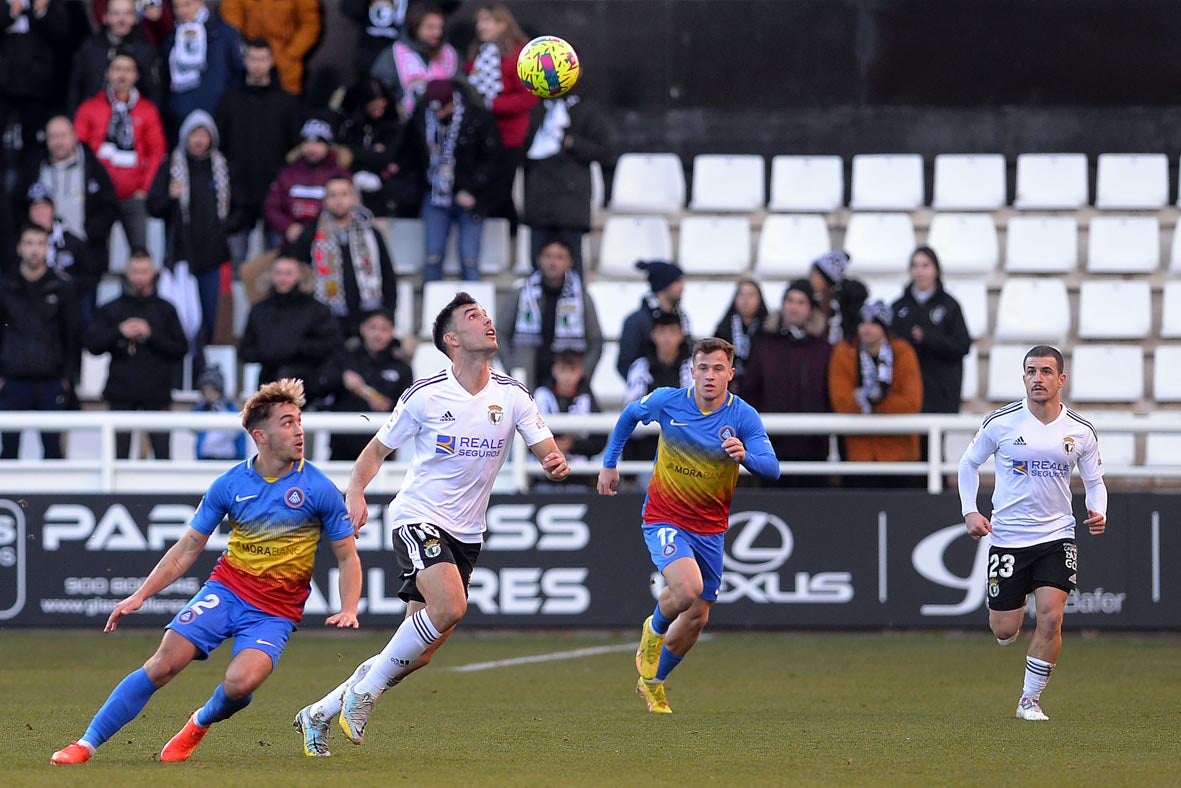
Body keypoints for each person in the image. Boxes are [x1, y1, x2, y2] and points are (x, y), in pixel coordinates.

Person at [291, 291, 570, 756]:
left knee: (414, 654)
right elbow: (376, 451)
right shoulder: (426, 394)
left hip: (467, 532)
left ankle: (318, 713)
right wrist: (355, 493)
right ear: (452, 339)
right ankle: (362, 696)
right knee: (451, 607)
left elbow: (546, 449)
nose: (487, 321)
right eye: (473, 316)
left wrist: (555, 462)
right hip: (419, 516)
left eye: (484, 313)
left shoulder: (512, 394)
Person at [50, 378, 363, 765]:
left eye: (299, 421)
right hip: (226, 590)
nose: (299, 430)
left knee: (239, 683)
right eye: (287, 422)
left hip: (275, 612)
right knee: (162, 664)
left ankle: (199, 722)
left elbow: (347, 556)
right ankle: (85, 744)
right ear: (259, 436)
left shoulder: (318, 488)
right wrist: (141, 595)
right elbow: (187, 549)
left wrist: (349, 606)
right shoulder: (229, 484)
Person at [597, 337, 780, 713]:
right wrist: (609, 463)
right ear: (691, 370)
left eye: (717, 369)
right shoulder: (669, 401)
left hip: (710, 528)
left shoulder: (742, 416)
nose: (709, 376)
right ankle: (654, 630)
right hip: (665, 516)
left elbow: (772, 467)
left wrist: (746, 456)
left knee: (697, 616)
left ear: (730, 373)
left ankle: (653, 682)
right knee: (687, 588)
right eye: (702, 368)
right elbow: (630, 414)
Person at [958, 345, 1107, 722]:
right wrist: (970, 510)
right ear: (1023, 377)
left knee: (1051, 618)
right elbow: (968, 464)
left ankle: (1029, 699)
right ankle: (1010, 618)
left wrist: (1098, 510)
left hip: (1057, 535)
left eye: (1044, 371)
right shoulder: (1001, 422)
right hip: (1008, 537)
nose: (1036, 378)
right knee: (1004, 629)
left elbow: (1094, 481)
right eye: (1030, 371)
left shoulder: (1080, 430)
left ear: (1061, 379)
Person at [393, 77, 500, 282]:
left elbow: (491, 160)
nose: (439, 114)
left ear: (452, 101)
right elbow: (409, 149)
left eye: (443, 108)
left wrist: (471, 188)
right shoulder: (422, 116)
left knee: (469, 259)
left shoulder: (476, 117)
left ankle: (473, 312)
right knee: (433, 257)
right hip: (434, 195)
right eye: (435, 110)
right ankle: (434, 312)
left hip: (469, 196)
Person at [86, 247, 188, 459]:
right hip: (121, 392)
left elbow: (181, 349)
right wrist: (119, 332)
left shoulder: (166, 309)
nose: (139, 277)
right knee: (118, 456)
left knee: (162, 455)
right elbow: (92, 345)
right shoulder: (111, 308)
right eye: (135, 271)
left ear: (153, 273)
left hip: (157, 392)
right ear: (127, 273)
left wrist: (151, 334)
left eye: (144, 271)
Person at [148, 110, 236, 348]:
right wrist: (169, 196)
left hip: (212, 255)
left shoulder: (222, 167)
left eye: (203, 134)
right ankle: (179, 373)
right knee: (180, 318)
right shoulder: (170, 165)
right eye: (194, 134)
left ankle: (202, 371)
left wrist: (223, 229)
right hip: (181, 255)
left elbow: (238, 207)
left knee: (208, 317)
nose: (199, 140)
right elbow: (153, 206)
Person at [216, 37, 303, 266]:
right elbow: (220, 146)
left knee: (277, 260)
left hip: (276, 193)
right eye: (253, 58)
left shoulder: (286, 103)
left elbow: (296, 149)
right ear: (245, 61)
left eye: (262, 59)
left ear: (271, 61)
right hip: (238, 193)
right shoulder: (229, 102)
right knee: (234, 260)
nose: (257, 65)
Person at [0, 224, 80, 460]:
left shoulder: (62, 286)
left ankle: (54, 499)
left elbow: (72, 335)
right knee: (9, 453)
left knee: (54, 451)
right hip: (12, 381)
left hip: (51, 381)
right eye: (30, 243)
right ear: (19, 248)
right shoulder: (5, 286)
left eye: (40, 243)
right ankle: (6, 499)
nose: (35, 249)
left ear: (47, 248)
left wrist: (67, 377)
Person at [74, 49, 167, 251]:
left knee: (140, 252)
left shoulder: (147, 110)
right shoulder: (89, 108)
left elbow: (157, 151)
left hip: (133, 195)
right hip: (98, 196)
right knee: (94, 252)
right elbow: (80, 149)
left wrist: (145, 187)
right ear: (107, 73)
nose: (122, 75)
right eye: (117, 69)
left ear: (136, 75)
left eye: (128, 70)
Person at [743, 279, 832, 481]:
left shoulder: (823, 349)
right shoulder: (764, 344)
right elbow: (751, 390)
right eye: (790, 300)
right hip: (771, 445)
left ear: (810, 309)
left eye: (801, 302)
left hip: (813, 448)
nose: (794, 307)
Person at [291, 175, 398, 339]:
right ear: (325, 200)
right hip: (325, 320)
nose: (339, 200)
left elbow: (387, 274)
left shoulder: (371, 233)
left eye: (344, 194)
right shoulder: (310, 236)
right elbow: (300, 277)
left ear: (353, 198)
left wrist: (387, 312)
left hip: (367, 317)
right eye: (333, 195)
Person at [18, 116, 117, 291]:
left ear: (74, 136)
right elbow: (18, 205)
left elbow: (109, 205)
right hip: (41, 256)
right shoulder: (35, 167)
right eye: (52, 137)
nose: (58, 142)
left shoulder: (92, 167)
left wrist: (91, 232)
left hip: (84, 254)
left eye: (62, 136)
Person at [521, 88, 613, 277]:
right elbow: (522, 151)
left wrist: (574, 143)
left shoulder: (587, 110)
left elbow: (605, 151)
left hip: (571, 208)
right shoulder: (536, 109)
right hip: (539, 204)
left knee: (573, 273)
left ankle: (574, 306)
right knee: (538, 271)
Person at [464, 2, 536, 233]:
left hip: (508, 136)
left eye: (486, 21)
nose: (480, 26)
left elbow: (528, 98)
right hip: (479, 135)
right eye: (479, 21)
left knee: (500, 190)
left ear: (502, 24)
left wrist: (491, 104)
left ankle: (511, 236)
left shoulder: (519, 55)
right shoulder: (477, 52)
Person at [828, 300, 923, 471]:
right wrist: (874, 400)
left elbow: (911, 403)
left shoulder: (903, 352)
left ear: (884, 327)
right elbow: (841, 401)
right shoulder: (844, 352)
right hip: (858, 454)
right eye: (862, 322)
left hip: (899, 455)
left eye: (873, 323)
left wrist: (869, 403)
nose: (866, 328)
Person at [499, 236, 602, 390]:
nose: (553, 262)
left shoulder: (581, 297)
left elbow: (595, 340)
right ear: (539, 260)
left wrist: (581, 373)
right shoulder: (521, 294)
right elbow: (500, 333)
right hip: (528, 375)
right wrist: (512, 367)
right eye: (548, 256)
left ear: (569, 262)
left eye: (559, 257)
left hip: (566, 383)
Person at [890, 246, 972, 417]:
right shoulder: (899, 307)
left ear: (936, 269)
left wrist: (929, 337)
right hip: (907, 392)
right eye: (915, 266)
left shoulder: (950, 306)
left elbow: (962, 345)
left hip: (941, 393)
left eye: (925, 265)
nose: (920, 271)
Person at [321, 308, 413, 461]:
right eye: (373, 328)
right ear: (363, 329)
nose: (378, 335)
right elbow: (319, 385)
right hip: (342, 449)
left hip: (381, 453)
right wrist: (341, 378)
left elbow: (407, 409)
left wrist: (382, 403)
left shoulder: (402, 368)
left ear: (392, 332)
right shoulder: (344, 359)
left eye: (384, 329)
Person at [238, 255, 340, 390]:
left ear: (299, 275)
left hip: (307, 380)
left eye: (288, 273)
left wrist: (297, 347)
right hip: (268, 380)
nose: (283, 278)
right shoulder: (259, 310)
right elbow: (246, 350)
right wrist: (268, 350)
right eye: (278, 273)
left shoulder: (316, 310)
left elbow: (331, 345)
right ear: (271, 276)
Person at [263, 118, 351, 248]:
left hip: (330, 242)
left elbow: (350, 207)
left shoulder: (340, 175)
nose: (312, 148)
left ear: (328, 146)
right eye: (307, 143)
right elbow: (271, 206)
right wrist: (288, 227)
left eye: (317, 143)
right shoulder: (288, 173)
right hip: (291, 243)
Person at [68, 0, 162, 113]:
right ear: (106, 17)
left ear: (135, 17)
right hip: (94, 119)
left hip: (134, 120)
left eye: (128, 14)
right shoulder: (90, 47)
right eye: (116, 14)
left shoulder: (146, 50)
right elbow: (75, 86)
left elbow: (154, 92)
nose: (122, 20)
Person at [162, 0, 243, 129]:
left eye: (187, 4)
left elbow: (238, 73)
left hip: (219, 114)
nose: (181, 11)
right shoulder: (170, 39)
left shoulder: (225, 34)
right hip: (181, 116)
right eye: (176, 7)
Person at [533, 349, 606, 487]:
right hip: (543, 476)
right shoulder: (541, 395)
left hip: (579, 476)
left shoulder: (588, 398)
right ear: (554, 370)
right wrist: (552, 446)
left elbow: (599, 440)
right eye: (562, 370)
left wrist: (572, 445)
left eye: (572, 370)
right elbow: (526, 434)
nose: (567, 376)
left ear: (580, 372)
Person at [219, 0, 320, 96]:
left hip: (285, 59)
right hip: (249, 55)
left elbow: (310, 25)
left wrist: (290, 54)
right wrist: (246, 52)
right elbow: (231, 25)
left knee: (286, 103)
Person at [377, 1, 459, 117]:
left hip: (447, 124)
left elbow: (462, 90)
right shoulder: (394, 54)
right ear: (415, 27)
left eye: (440, 27)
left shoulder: (450, 54)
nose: (437, 33)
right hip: (405, 124)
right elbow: (379, 91)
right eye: (430, 27)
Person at [338, 78, 404, 218]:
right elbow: (344, 156)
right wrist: (371, 153)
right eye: (374, 108)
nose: (379, 112)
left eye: (382, 108)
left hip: (382, 196)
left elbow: (386, 158)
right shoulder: (350, 125)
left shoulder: (392, 125)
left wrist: (358, 154)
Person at [616, 260, 691, 380]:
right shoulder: (635, 321)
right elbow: (625, 363)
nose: (682, 287)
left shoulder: (682, 318)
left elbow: (688, 354)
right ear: (663, 285)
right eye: (677, 281)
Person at [712, 277, 768, 394]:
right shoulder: (724, 329)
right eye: (741, 295)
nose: (746, 300)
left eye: (751, 295)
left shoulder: (768, 330)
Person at [193, 364, 247, 460]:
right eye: (206, 391)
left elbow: (239, 433)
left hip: (228, 457)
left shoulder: (230, 408)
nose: (209, 394)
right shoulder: (202, 408)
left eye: (212, 390)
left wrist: (241, 456)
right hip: (206, 456)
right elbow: (193, 427)